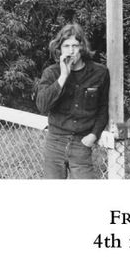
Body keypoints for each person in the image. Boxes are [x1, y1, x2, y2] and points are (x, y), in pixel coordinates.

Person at [36, 23, 110, 179]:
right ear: (60, 49)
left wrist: (93, 136)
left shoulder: (100, 72)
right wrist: (63, 76)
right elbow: (42, 106)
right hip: (55, 142)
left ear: (82, 47)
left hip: (81, 143)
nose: (71, 50)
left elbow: (103, 108)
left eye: (75, 45)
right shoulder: (51, 73)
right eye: (66, 46)